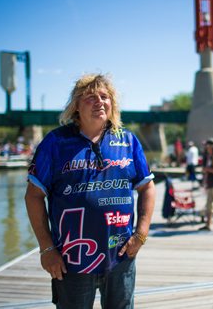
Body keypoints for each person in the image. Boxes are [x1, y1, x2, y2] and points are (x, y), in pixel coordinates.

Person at [24, 73, 156, 309]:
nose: (99, 102)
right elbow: (34, 196)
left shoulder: (127, 141)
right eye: (90, 97)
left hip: (121, 257)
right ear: (76, 106)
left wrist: (141, 234)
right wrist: (46, 248)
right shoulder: (55, 143)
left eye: (104, 96)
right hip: (71, 261)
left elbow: (147, 187)